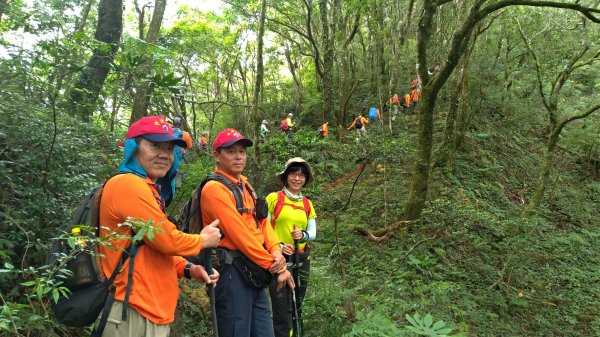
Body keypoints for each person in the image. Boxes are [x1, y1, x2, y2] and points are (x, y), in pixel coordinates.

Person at [97, 116, 222, 337]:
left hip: (149, 310)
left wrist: (188, 269)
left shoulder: (148, 190)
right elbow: (167, 240)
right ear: (134, 147)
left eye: (169, 148)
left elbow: (152, 245)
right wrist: (202, 240)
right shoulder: (127, 184)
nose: (164, 154)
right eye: (155, 145)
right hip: (131, 310)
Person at [200, 128, 295, 337]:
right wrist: (275, 266)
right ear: (217, 156)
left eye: (242, 151)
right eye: (231, 151)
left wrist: (276, 251)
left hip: (254, 269)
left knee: (264, 331)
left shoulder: (246, 185)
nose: (238, 156)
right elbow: (240, 235)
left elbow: (262, 222)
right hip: (231, 271)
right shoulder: (214, 189)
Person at [267, 157, 317, 337]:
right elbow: (263, 229)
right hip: (279, 260)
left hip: (302, 258)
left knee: (298, 306)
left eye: (301, 175)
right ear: (286, 176)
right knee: (282, 309)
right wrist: (279, 246)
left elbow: (313, 232)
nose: (297, 179)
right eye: (294, 174)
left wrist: (302, 235)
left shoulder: (307, 203)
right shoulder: (273, 199)